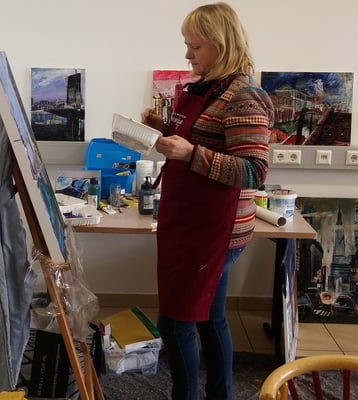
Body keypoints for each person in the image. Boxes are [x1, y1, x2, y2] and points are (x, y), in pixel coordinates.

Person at [141, 3, 274, 399]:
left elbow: (254, 171)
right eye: (187, 44)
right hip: (194, 221)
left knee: (175, 322)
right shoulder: (209, 89)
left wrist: (189, 154)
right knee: (211, 319)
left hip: (216, 230)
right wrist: (162, 129)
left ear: (221, 44)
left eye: (195, 45)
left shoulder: (244, 98)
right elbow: (204, 138)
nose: (187, 54)